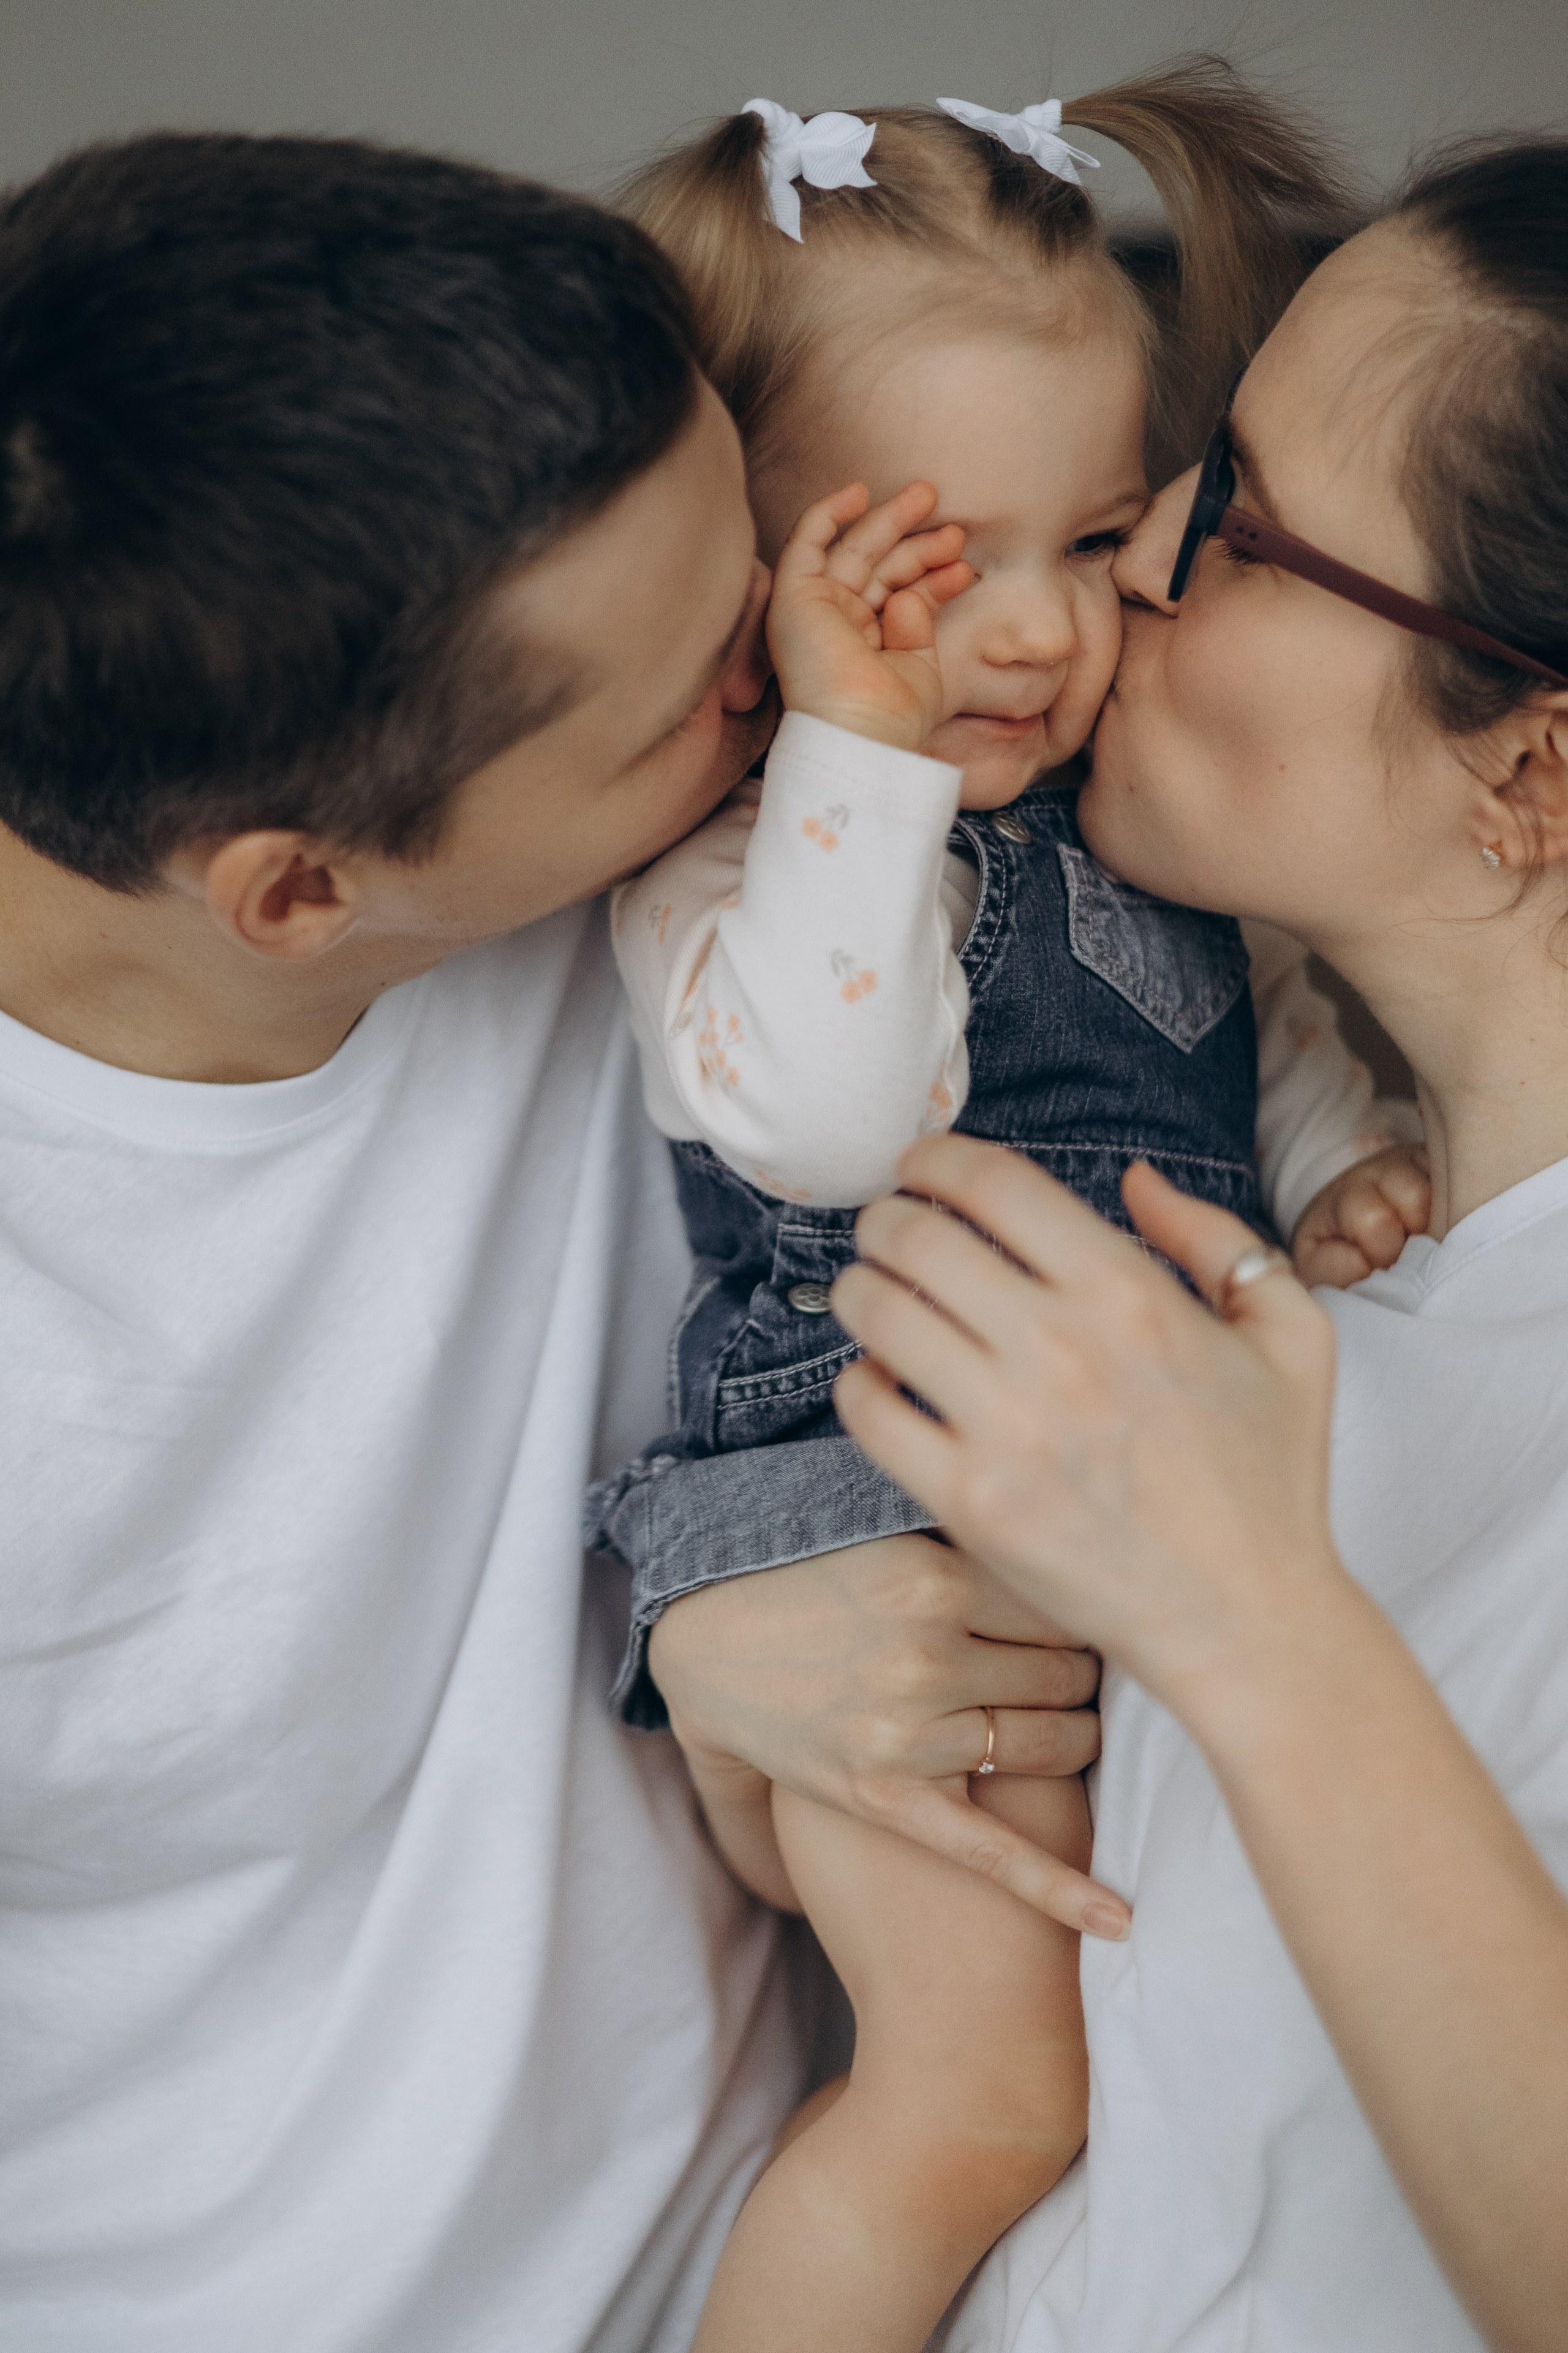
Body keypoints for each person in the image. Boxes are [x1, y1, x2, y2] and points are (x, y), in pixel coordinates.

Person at [0, 132, 1099, 2352]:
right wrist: (680, 1654)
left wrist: (698, 1660)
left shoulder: (750, 862)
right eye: (711, 674)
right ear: (302, 890)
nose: (814, 672)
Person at [587, 77, 1424, 2350]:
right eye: (937, 572)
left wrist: (1352, 1175)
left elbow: (1253, 1034)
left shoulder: (1131, 827)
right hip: (855, 1527)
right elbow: (835, 1117)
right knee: (976, 2102)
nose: (1049, 633)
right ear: (744, 577)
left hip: (1073, 1504)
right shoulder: (737, 878)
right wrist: (852, 753)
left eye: (1100, 536)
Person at [820, 134, 1568, 2353]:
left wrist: (1250, 1614)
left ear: (1531, 769)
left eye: (1231, 520)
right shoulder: (1297, 1256)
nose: (1131, 564)